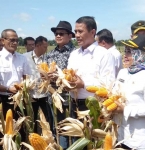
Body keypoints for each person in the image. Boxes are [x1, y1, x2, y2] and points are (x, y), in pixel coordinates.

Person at [67, 16, 116, 113]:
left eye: (80, 31)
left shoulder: (104, 54)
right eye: (75, 31)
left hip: (94, 106)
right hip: (73, 104)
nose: (76, 35)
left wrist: (83, 85)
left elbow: (108, 84)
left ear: (92, 32)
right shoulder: (73, 54)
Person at [113, 34, 145, 150]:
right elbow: (115, 93)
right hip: (122, 136)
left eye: (130, 52)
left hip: (141, 141)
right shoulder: (123, 73)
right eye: (126, 51)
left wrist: (126, 109)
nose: (125, 55)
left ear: (142, 54)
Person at [46, 20, 75, 150]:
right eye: (56, 33)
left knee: (72, 129)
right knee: (57, 128)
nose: (58, 36)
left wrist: (59, 77)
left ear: (70, 36)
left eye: (61, 33)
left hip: (69, 98)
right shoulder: (50, 54)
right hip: (53, 97)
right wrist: (45, 75)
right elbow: (45, 73)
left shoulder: (75, 53)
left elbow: (74, 76)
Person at [0, 29, 31, 149]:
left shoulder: (22, 58)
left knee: (20, 131)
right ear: (3, 41)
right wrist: (8, 89)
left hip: (19, 101)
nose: (15, 43)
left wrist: (23, 86)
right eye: (12, 40)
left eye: (17, 40)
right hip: (3, 100)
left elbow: (26, 78)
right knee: (4, 133)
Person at [23, 36, 51, 133]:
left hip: (44, 94)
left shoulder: (47, 58)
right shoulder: (25, 57)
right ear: (38, 45)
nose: (46, 49)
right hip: (31, 95)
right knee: (32, 119)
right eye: (44, 47)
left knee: (47, 118)